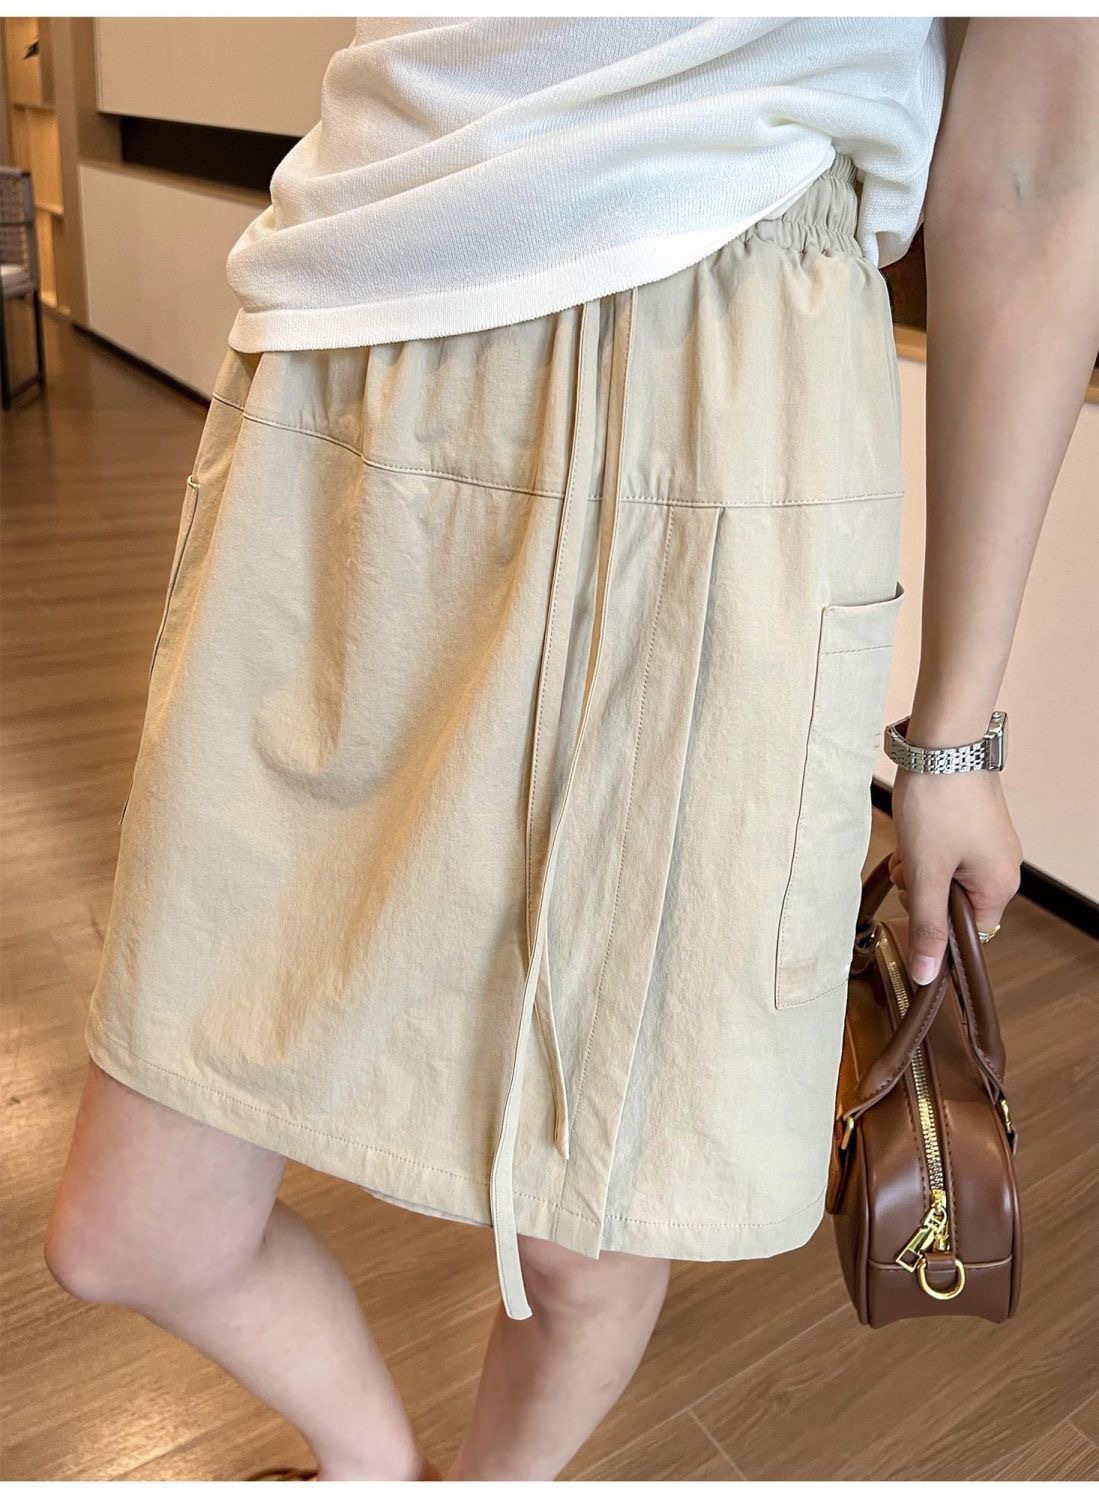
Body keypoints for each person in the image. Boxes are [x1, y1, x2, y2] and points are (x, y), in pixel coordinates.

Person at [44, 17, 1098, 1483]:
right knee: (132, 1227)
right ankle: (374, 1467)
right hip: (350, 338)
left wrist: (955, 739)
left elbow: (1036, 172)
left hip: (718, 396)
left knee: (586, 1242)